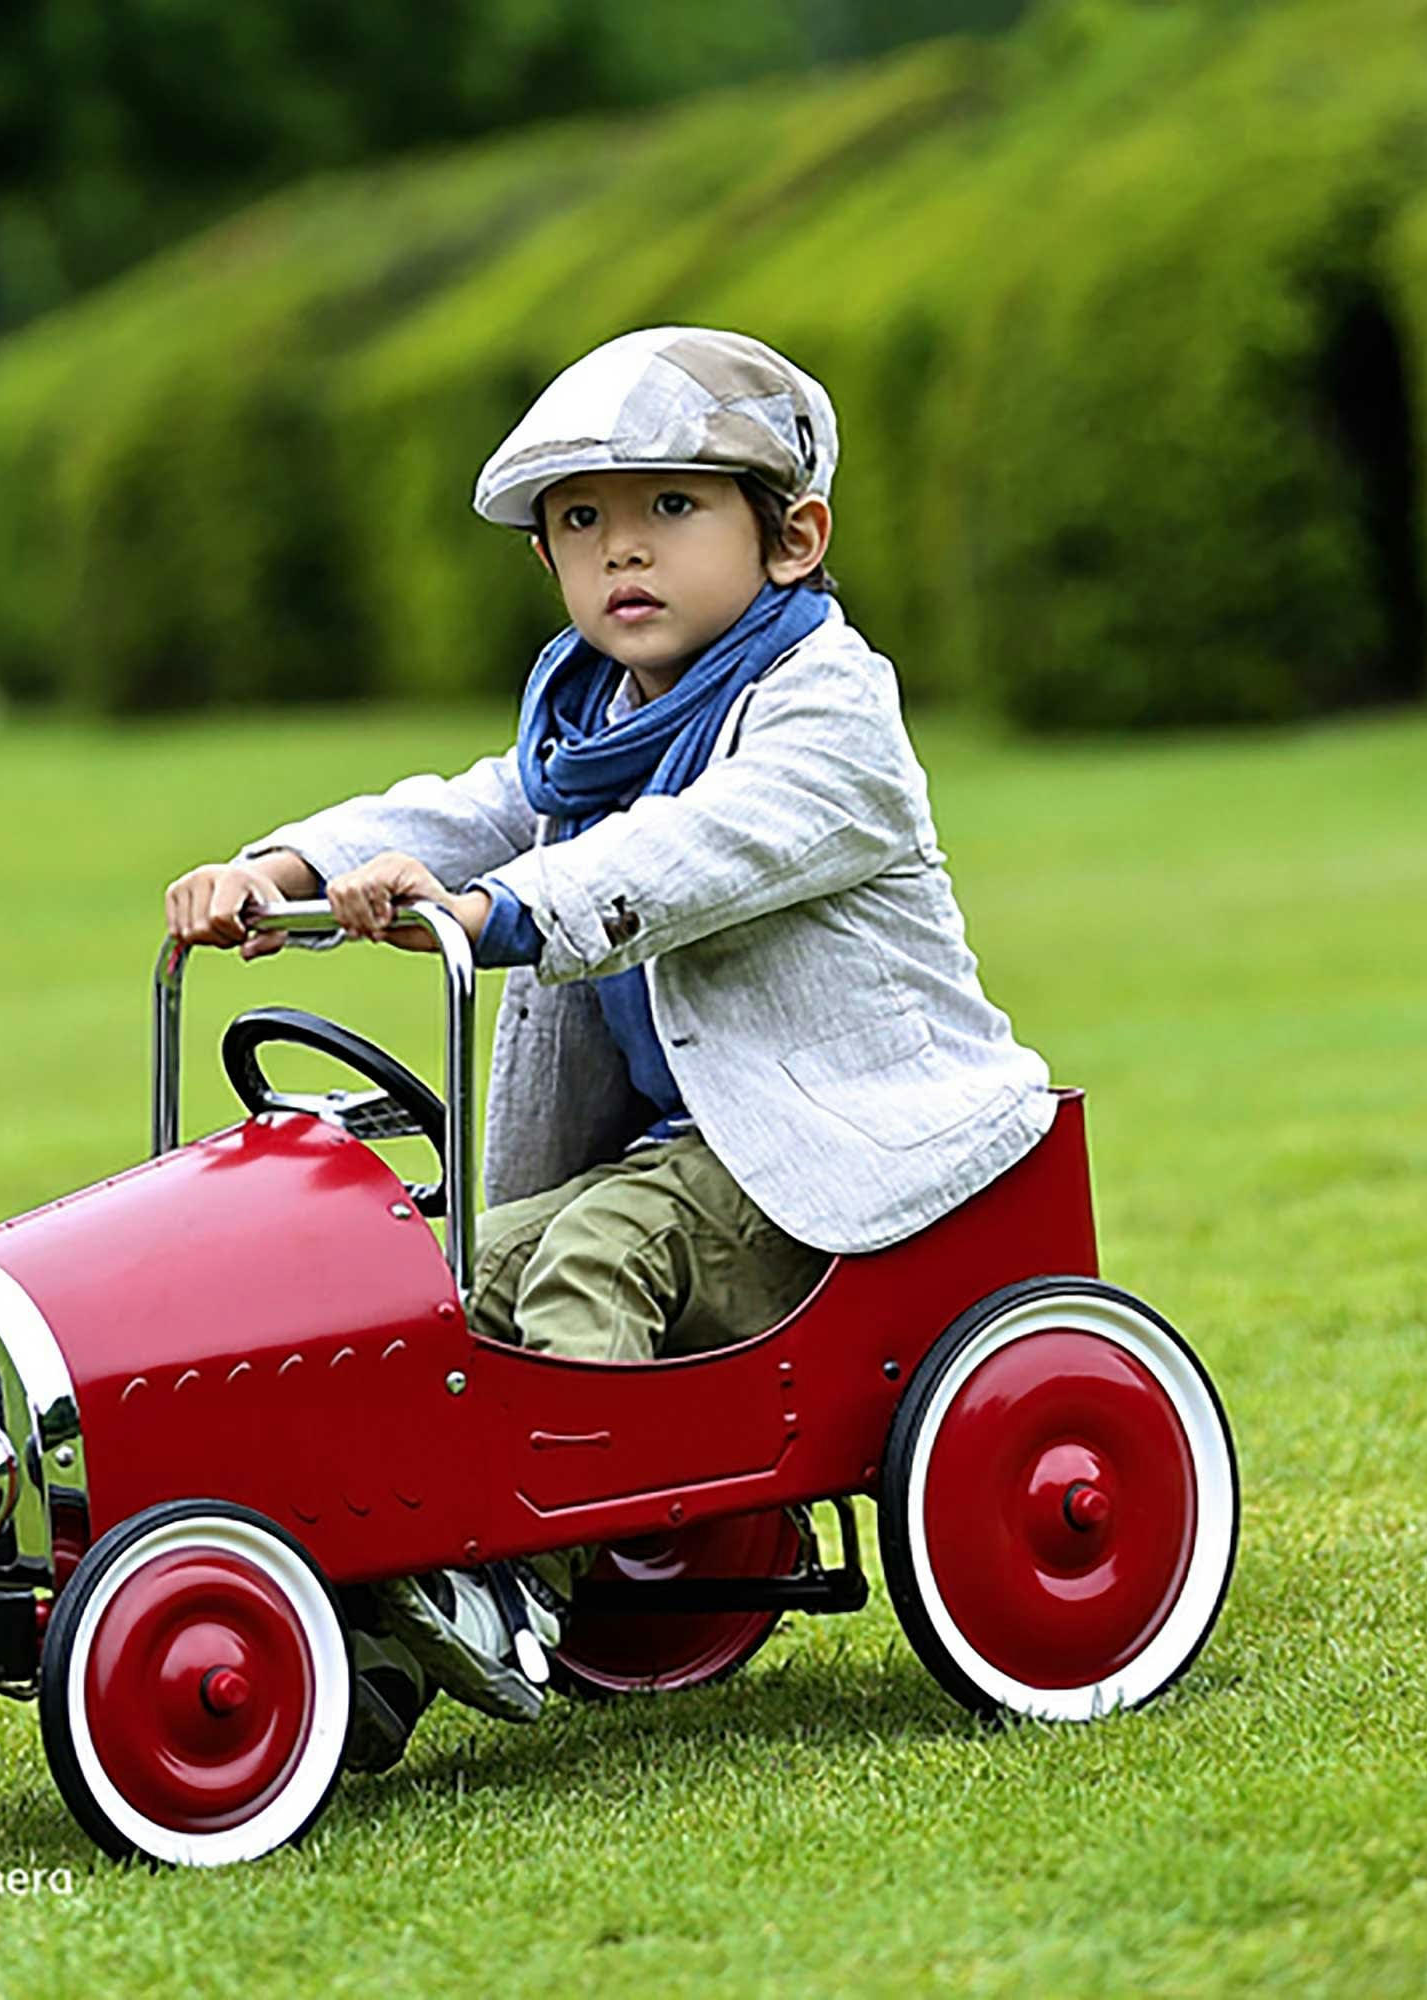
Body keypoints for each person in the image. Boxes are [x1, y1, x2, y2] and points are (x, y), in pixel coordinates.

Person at [164, 325, 1055, 1735]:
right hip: (672, 1153)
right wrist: (278, 873)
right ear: (546, 563)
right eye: (583, 522)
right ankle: (370, 1615)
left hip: (832, 1154)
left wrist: (501, 908)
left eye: (672, 509)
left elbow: (697, 850)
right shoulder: (595, 722)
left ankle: (520, 1576)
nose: (621, 552)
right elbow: (464, 807)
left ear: (794, 537)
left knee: (596, 1251)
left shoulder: (827, 715)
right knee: (433, 1271)